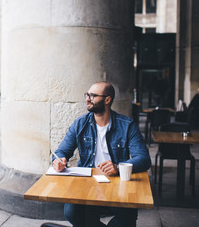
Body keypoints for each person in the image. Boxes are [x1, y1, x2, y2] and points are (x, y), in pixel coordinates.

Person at [53, 81, 151, 227]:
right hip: (86, 182)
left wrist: (117, 167)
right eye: (87, 95)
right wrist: (58, 161)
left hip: (116, 182)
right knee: (71, 212)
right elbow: (62, 151)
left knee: (127, 218)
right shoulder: (80, 124)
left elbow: (144, 159)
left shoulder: (127, 125)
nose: (87, 99)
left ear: (107, 100)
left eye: (92, 96)